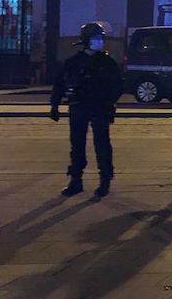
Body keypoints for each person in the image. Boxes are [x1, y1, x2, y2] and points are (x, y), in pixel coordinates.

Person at [50, 21, 124, 197]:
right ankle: (76, 181)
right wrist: (54, 105)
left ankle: (105, 180)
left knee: (102, 144)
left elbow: (118, 85)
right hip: (79, 106)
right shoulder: (74, 62)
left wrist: (109, 102)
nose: (99, 41)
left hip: (100, 107)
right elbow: (59, 83)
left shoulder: (107, 62)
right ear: (86, 40)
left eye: (101, 38)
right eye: (96, 38)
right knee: (77, 144)